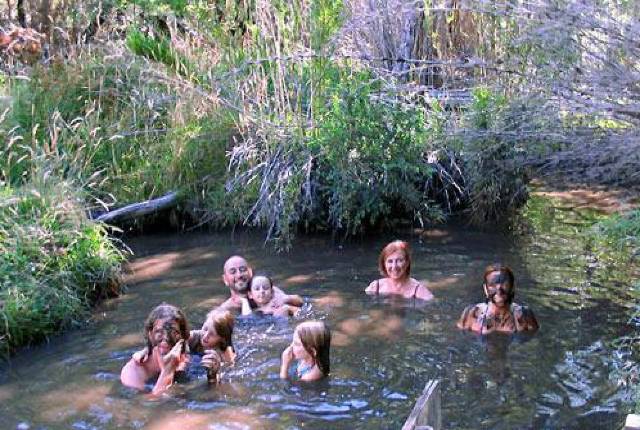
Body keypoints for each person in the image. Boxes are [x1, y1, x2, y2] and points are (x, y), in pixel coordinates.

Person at [132, 309, 236, 384]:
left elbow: (229, 372)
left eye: (212, 334)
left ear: (222, 338)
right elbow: (170, 340)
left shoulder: (225, 352)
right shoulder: (196, 336)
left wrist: (215, 373)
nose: (205, 336)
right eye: (205, 329)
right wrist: (145, 351)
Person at [120, 303, 190, 395]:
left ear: (182, 337)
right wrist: (167, 371)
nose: (166, 338)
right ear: (150, 335)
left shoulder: (183, 353)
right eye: (159, 331)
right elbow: (147, 405)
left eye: (174, 332)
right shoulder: (132, 372)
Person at [457, 263, 539, 334]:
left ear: (512, 287)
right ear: (485, 289)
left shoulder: (525, 315)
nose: (499, 291)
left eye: (505, 285)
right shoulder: (471, 313)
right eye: (492, 285)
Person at [217, 255, 303, 312]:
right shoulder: (227, 309)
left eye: (242, 269)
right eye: (233, 272)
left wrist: (285, 299)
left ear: (250, 272)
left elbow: (299, 302)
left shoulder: (267, 290)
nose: (239, 275)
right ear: (225, 279)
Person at [365, 240, 434, 300]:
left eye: (399, 260)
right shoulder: (376, 287)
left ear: (407, 263)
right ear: (384, 264)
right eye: (390, 261)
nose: (394, 266)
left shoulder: (418, 291)